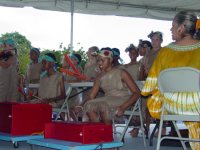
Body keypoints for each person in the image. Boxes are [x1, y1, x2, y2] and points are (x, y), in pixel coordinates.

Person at [141, 11, 200, 150]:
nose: (170, 29)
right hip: (198, 105)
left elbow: (150, 85)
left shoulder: (165, 52)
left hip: (171, 105)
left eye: (172, 26)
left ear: (181, 28)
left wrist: (145, 92)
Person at [82, 48, 140, 125]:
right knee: (88, 105)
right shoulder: (99, 77)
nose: (100, 63)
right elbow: (91, 97)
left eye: (103, 60)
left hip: (123, 98)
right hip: (108, 98)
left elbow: (137, 92)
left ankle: (107, 134)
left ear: (110, 60)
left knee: (102, 105)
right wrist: (80, 106)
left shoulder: (121, 72)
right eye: (99, 60)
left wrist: (123, 107)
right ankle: (99, 131)